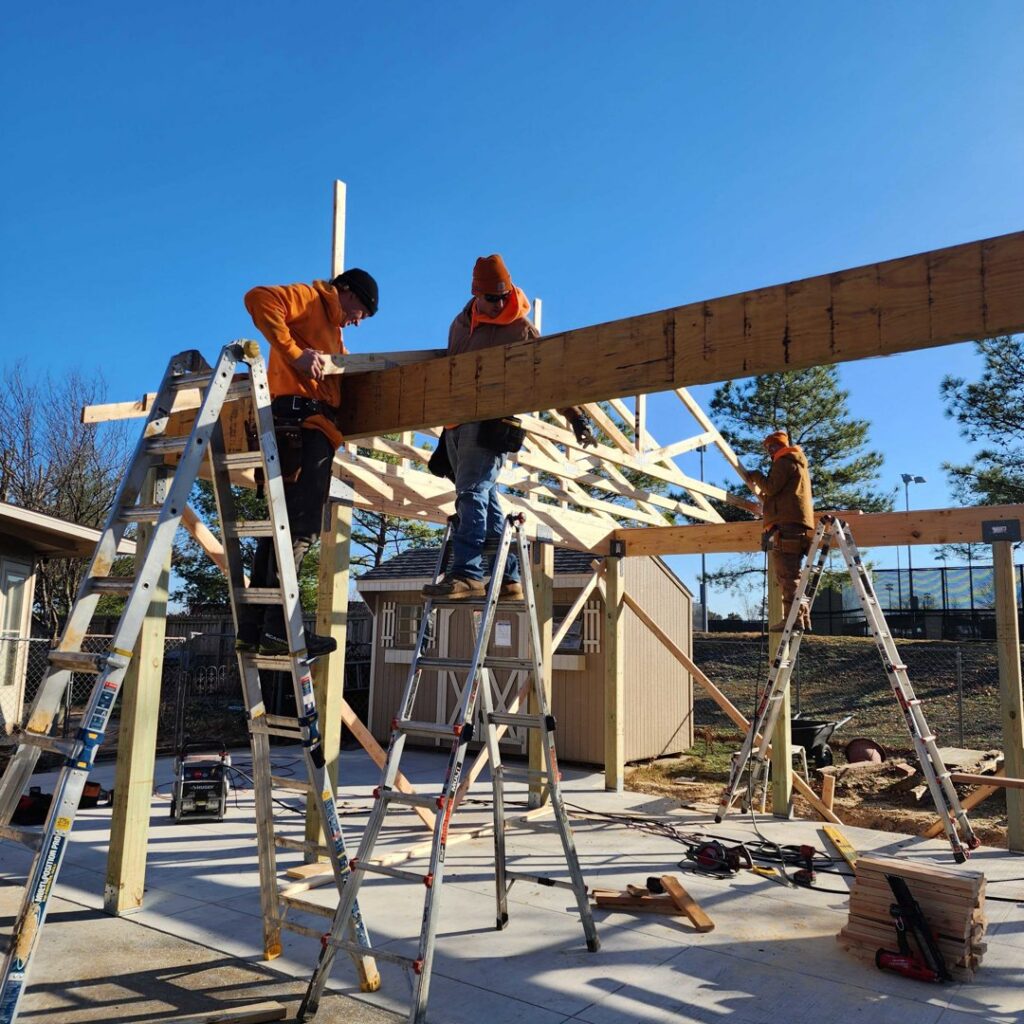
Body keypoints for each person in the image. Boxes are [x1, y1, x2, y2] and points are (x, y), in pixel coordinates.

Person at [424, 254, 594, 600]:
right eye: (492, 298)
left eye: (504, 297)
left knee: (471, 492)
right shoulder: (460, 325)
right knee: (484, 494)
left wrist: (576, 416)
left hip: (490, 423)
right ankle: (508, 577)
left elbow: (548, 377)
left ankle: (467, 573)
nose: (500, 304)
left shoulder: (520, 329)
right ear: (476, 293)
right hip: (456, 422)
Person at [235, 268, 379, 656]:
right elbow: (258, 298)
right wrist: (295, 355)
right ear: (347, 292)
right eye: (361, 312)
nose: (358, 321)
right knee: (300, 529)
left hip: (305, 427)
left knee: (278, 529)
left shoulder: (332, 330)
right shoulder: (311, 300)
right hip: (302, 427)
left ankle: (254, 628)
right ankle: (281, 627)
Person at [747, 429, 816, 631]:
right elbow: (779, 492)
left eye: (771, 447)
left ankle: (793, 620)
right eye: (768, 448)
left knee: (787, 575)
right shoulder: (796, 462)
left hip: (786, 524)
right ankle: (802, 617)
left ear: (779, 446)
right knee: (793, 573)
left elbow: (771, 487)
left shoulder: (784, 462)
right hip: (795, 523)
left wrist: (756, 476)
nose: (770, 451)